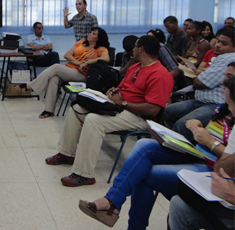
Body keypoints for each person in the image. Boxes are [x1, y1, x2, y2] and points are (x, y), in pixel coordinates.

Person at [80, 75, 235, 230]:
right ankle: (113, 201)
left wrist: (211, 143)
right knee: (145, 145)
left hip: (212, 167)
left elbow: (225, 165)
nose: (222, 81)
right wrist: (200, 127)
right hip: (199, 153)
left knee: (145, 175)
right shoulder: (224, 108)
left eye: (229, 77)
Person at [46, 35, 173, 187]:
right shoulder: (136, 66)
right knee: (77, 108)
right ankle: (67, 154)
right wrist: (115, 91)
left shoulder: (160, 74)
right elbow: (124, 87)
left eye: (135, 46)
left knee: (94, 120)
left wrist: (123, 102)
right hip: (119, 106)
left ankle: (83, 174)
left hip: (139, 116)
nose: (132, 49)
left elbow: (153, 108)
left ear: (142, 49)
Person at [16, 27, 110, 119]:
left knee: (55, 67)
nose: (90, 34)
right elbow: (67, 55)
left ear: (98, 38)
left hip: (81, 74)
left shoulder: (100, 48)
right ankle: (49, 110)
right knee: (54, 78)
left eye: (93, 34)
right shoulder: (81, 42)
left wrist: (89, 62)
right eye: (91, 32)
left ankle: (30, 86)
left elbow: (106, 58)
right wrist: (78, 63)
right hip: (69, 70)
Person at [164, 26, 235, 142]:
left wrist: (201, 77)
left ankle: (187, 152)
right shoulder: (218, 56)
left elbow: (200, 82)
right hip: (201, 100)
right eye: (218, 41)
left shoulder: (227, 58)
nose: (218, 45)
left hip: (215, 104)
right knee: (169, 111)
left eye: (224, 43)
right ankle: (188, 142)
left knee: (182, 125)